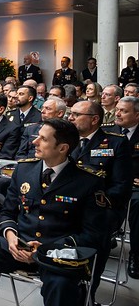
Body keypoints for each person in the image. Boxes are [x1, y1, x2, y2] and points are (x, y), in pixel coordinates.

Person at [0, 118, 108, 306]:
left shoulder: (87, 181)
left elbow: (94, 234)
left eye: (43, 139)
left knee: (62, 286)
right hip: (18, 244)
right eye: (37, 136)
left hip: (56, 255)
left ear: (63, 148)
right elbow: (8, 212)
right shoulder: (24, 169)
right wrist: (10, 235)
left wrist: (45, 249)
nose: (34, 142)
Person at [68, 100, 132, 297]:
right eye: (70, 114)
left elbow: (121, 186)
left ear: (94, 119)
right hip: (68, 204)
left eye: (76, 115)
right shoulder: (67, 140)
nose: (70, 118)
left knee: (95, 233)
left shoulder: (116, 143)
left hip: (101, 208)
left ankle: (87, 291)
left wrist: (94, 204)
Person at [103, 97, 139, 279]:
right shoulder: (107, 132)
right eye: (117, 109)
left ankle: (136, 254)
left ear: (137, 115)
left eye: (123, 111)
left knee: (137, 205)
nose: (117, 113)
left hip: (135, 187)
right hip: (111, 184)